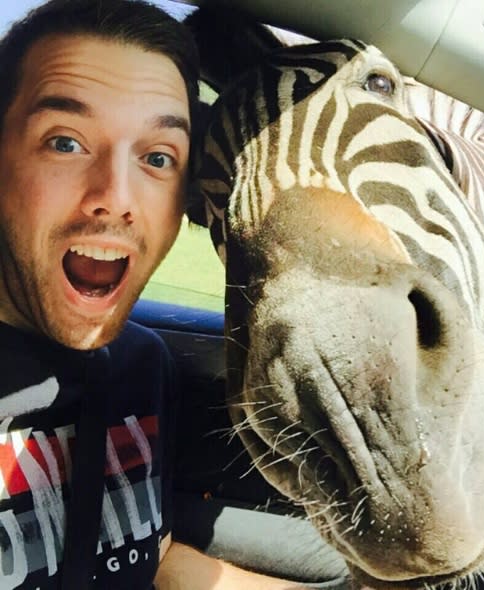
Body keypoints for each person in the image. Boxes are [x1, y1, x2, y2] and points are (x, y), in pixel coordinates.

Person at [0, 1, 310, 588]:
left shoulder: (141, 368)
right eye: (66, 143)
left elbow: (152, 558)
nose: (116, 196)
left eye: (158, 157)